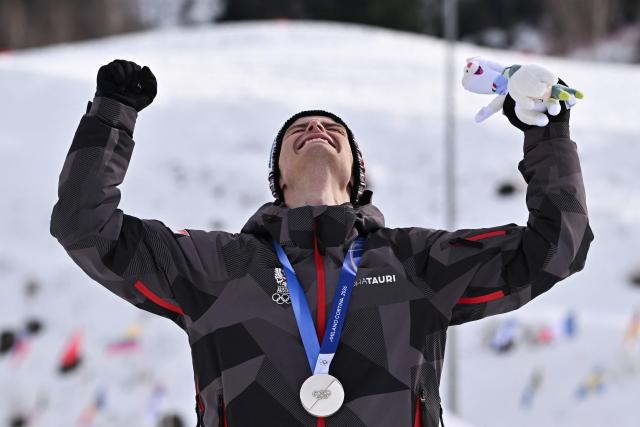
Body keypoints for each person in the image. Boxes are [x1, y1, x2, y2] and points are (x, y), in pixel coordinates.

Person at [50, 59, 594, 427]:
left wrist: (546, 134)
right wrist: (112, 116)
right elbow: (85, 227)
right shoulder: (215, 266)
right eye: (298, 129)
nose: (315, 127)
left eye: (332, 127)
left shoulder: (416, 261)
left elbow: (555, 249)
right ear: (277, 178)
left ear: (357, 172)